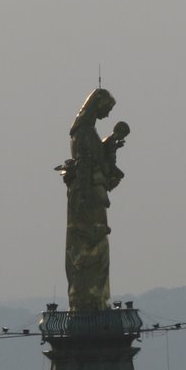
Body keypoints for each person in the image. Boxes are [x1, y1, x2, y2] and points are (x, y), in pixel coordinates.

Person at [56, 89, 129, 312]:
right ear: (98, 106)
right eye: (107, 109)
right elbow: (86, 165)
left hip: (90, 196)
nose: (108, 114)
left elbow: (94, 161)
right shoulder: (85, 133)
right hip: (87, 198)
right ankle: (87, 297)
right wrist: (86, 197)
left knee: (97, 241)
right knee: (92, 240)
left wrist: (109, 148)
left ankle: (95, 296)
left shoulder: (87, 132)